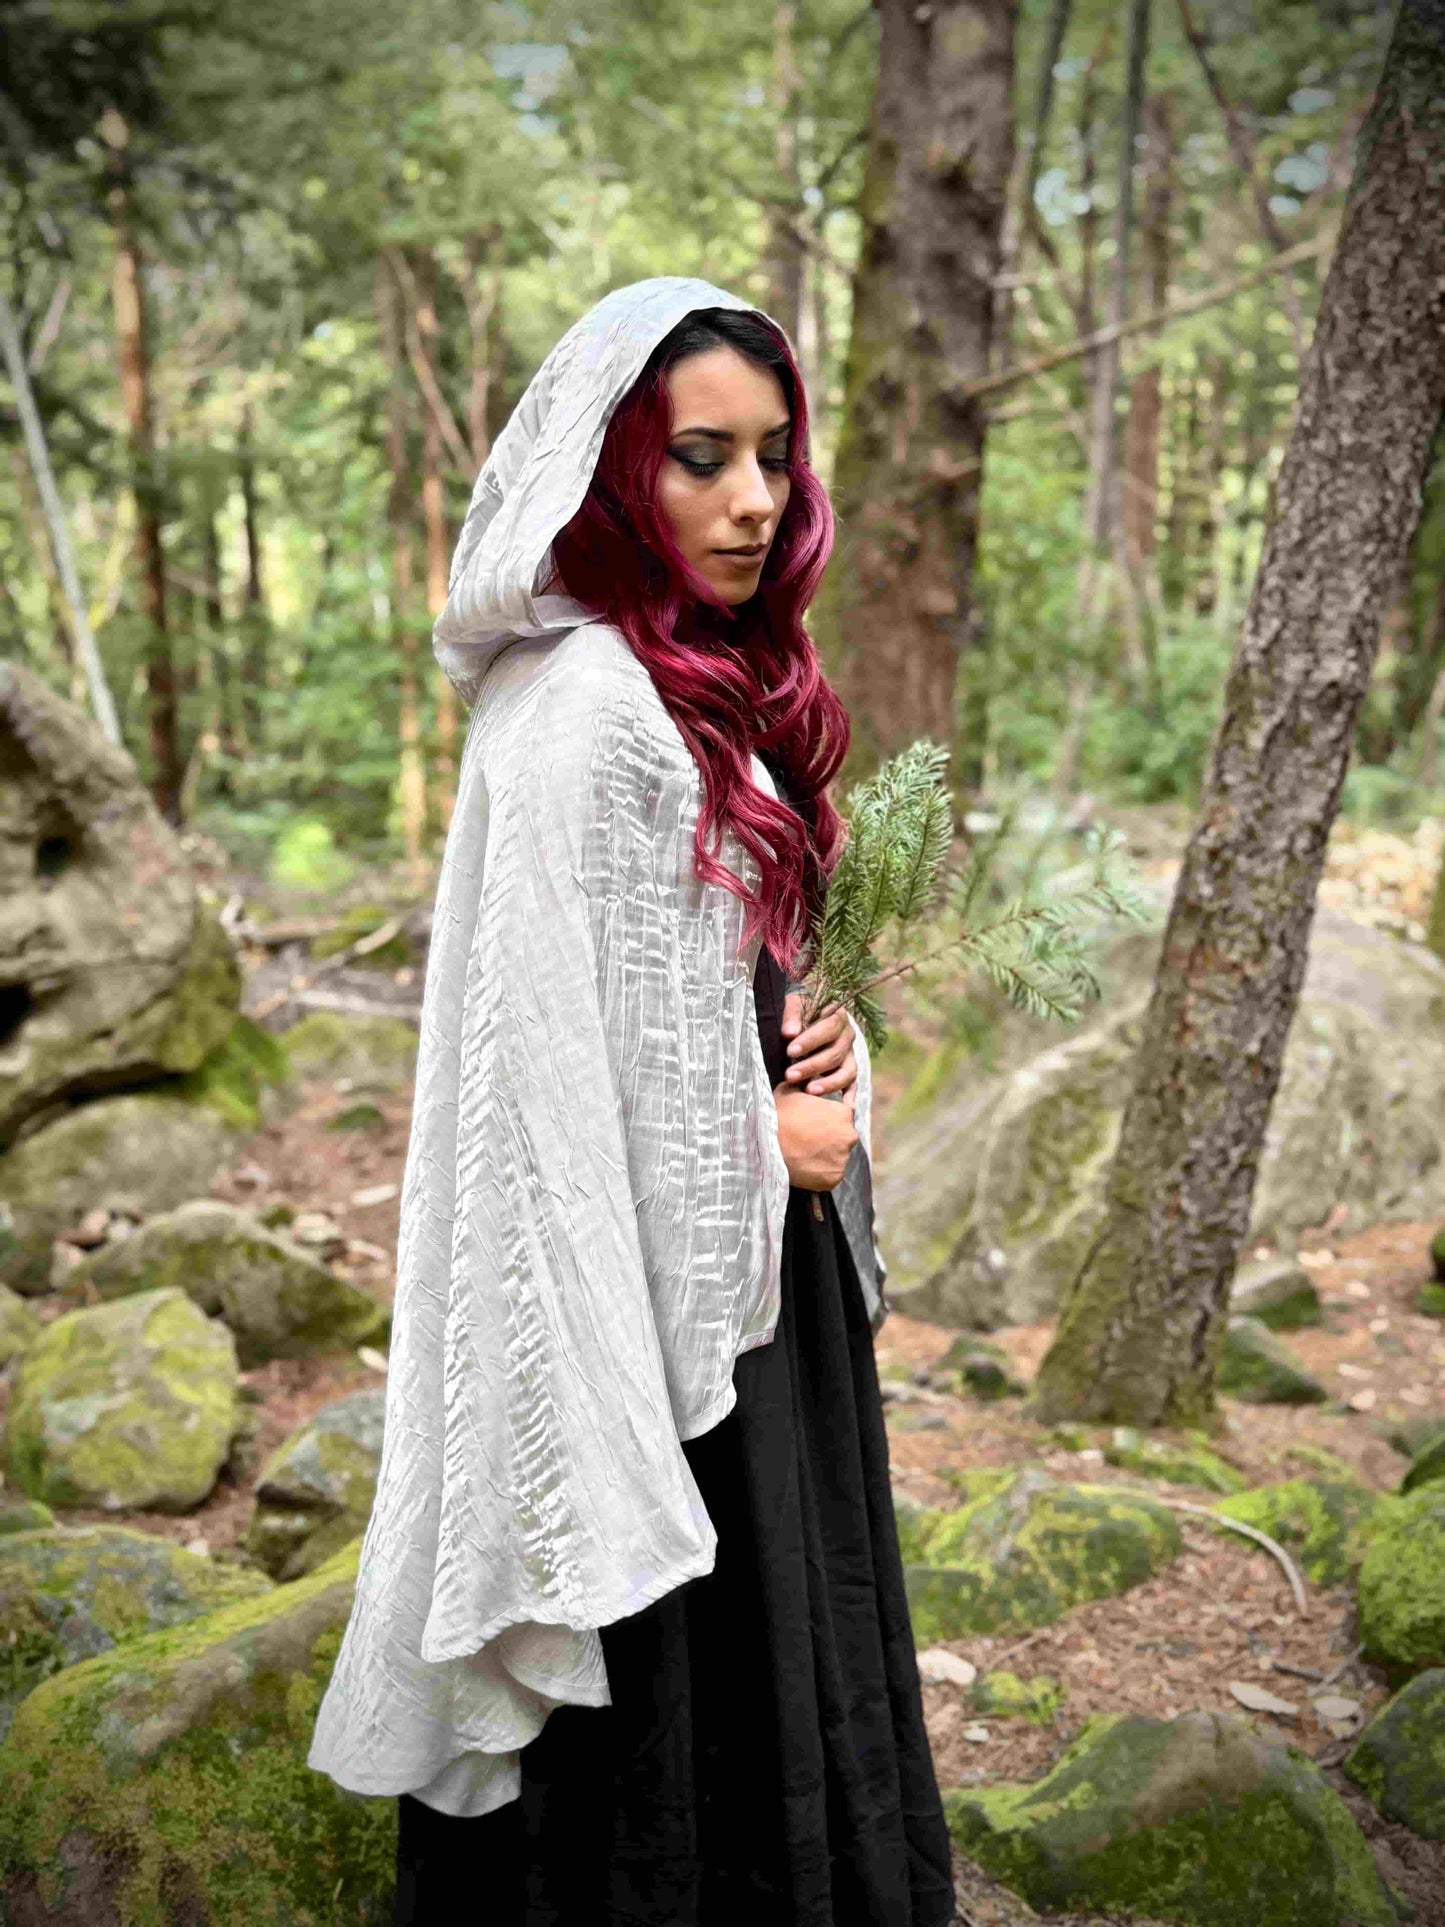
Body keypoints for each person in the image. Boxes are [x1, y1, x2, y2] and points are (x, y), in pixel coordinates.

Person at [307, 277, 955, 1925]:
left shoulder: (709, 676)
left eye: (772, 457)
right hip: (643, 1294)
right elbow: (538, 1091)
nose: (751, 500)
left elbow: (712, 969)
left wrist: (826, 1038)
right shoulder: (579, 707)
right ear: (611, 472)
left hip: (751, 1278)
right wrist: (767, 1143)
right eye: (699, 459)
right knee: (667, 1665)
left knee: (779, 1632)